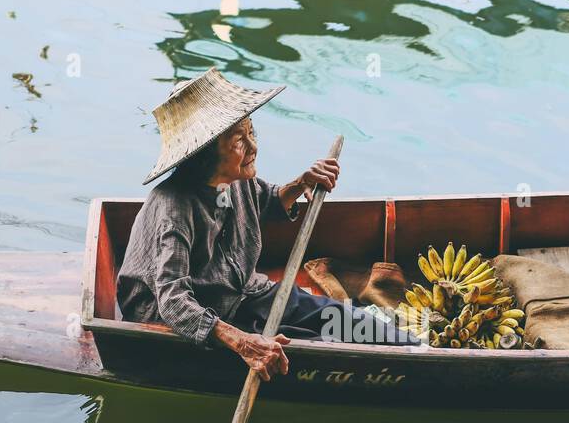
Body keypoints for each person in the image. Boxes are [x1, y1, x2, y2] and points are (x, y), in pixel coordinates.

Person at [117, 68, 414, 382]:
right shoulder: (173, 211)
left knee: (348, 321)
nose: (252, 146)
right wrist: (246, 343)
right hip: (198, 317)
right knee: (314, 351)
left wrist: (302, 183)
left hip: (244, 291)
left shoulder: (234, 179)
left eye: (251, 133)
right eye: (238, 142)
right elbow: (174, 303)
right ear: (205, 156)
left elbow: (268, 200)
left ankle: (421, 353)